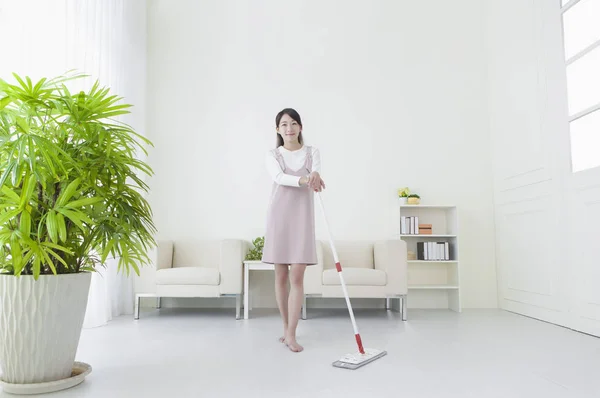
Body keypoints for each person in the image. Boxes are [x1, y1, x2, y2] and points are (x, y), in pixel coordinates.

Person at [261, 108, 325, 353]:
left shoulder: (312, 153)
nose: (289, 128)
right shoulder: (273, 155)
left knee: (297, 276)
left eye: (294, 123)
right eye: (284, 124)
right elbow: (279, 177)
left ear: (300, 127)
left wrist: (315, 176)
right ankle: (286, 329)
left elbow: (316, 172)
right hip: (279, 215)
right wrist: (304, 180)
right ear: (278, 129)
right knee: (280, 276)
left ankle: (291, 334)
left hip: (302, 217)